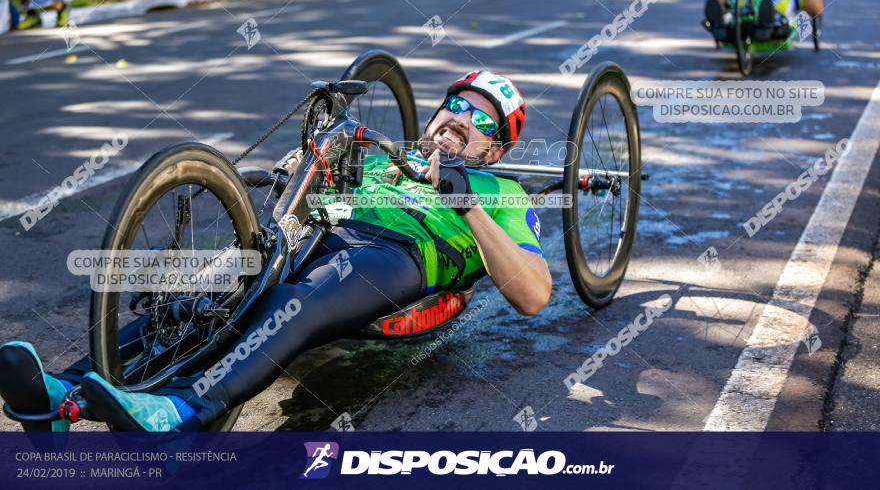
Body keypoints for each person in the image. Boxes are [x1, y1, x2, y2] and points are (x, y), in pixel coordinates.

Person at [0, 70, 551, 432]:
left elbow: (532, 294)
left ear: (497, 148)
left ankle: (182, 409)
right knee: (207, 293)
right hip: (317, 229)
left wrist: (466, 205)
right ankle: (62, 391)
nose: (460, 119)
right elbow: (314, 190)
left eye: (481, 120)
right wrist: (306, 166)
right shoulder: (387, 156)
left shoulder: (502, 192)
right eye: (455, 105)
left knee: (299, 300)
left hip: (394, 255)